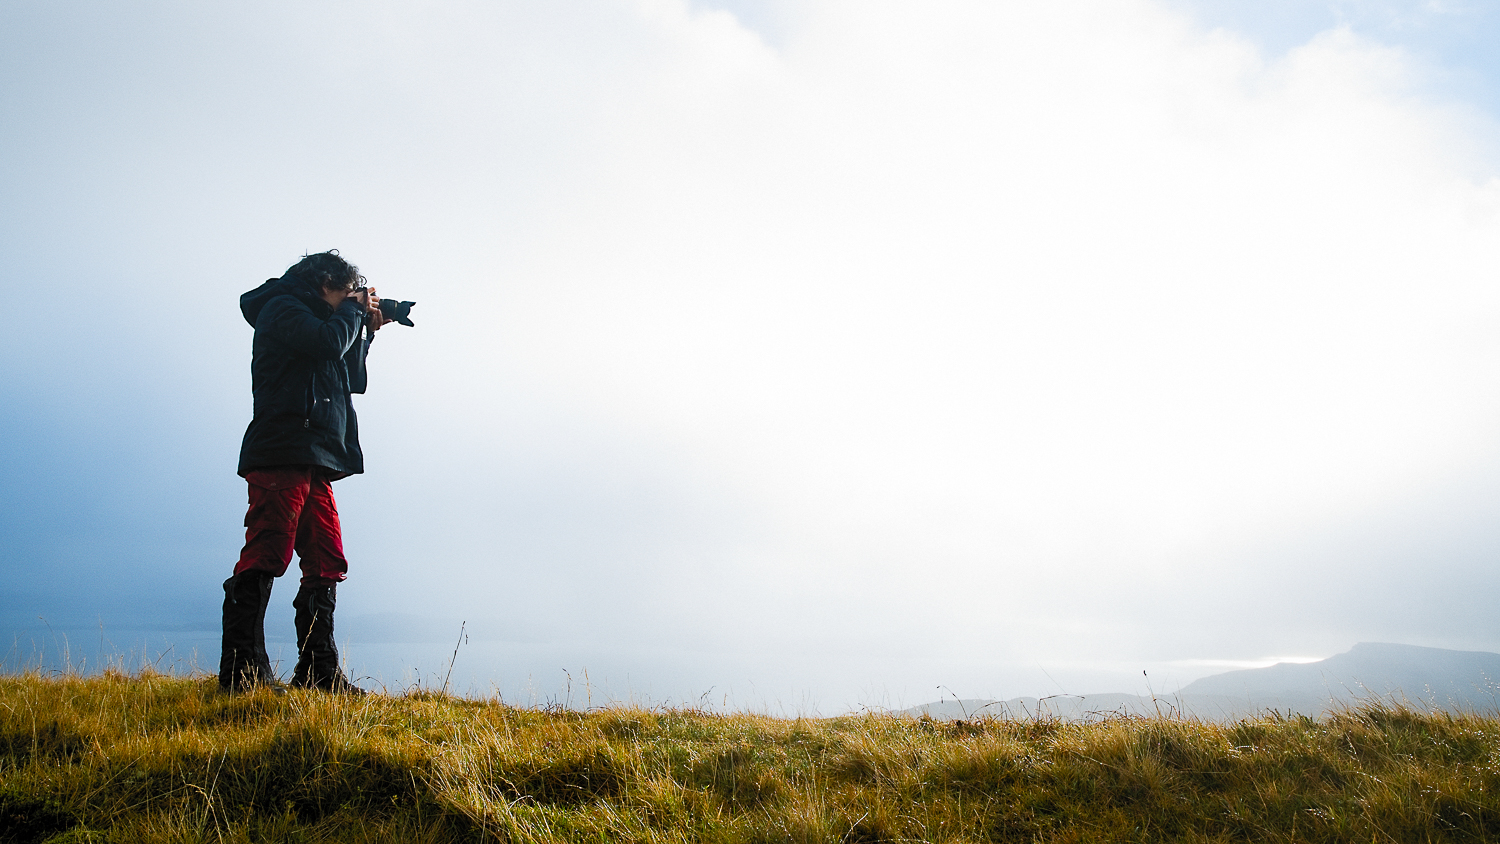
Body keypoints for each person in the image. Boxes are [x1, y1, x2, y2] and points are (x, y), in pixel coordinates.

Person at [219, 251, 390, 693]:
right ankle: (242, 674)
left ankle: (319, 673)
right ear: (325, 282)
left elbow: (352, 377)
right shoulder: (282, 309)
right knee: (268, 550)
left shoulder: (329, 322)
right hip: (282, 449)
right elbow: (326, 344)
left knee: (326, 558)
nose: (352, 299)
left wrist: (366, 332)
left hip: (315, 455)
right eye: (347, 290)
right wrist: (353, 310)